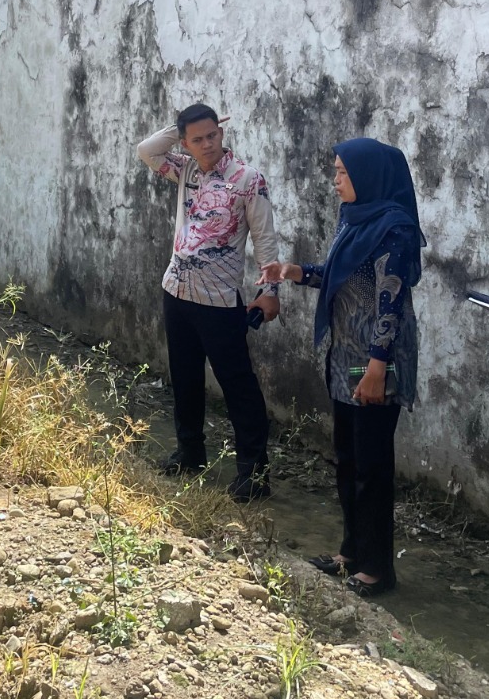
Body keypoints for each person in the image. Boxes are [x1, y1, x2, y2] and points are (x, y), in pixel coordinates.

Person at [260, 139, 424, 598]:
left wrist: (376, 367)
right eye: (335, 171)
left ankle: (377, 569)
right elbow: (337, 276)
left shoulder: (394, 228)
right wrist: (293, 271)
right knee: (348, 460)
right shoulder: (354, 220)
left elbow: (388, 302)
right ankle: (351, 553)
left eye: (342, 172)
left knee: (372, 465)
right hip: (346, 357)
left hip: (375, 362)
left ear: (368, 176)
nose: (335, 180)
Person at [137, 104, 280, 502]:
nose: (207, 144)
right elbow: (147, 150)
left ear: (222, 133)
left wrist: (270, 291)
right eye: (197, 139)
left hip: (218, 300)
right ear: (185, 142)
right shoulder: (184, 170)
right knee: (184, 378)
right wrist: (176, 129)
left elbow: (265, 239)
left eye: (212, 135)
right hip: (177, 290)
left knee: (238, 386)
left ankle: (254, 474)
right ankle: (190, 453)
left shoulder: (248, 181)